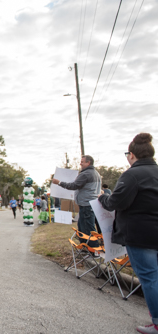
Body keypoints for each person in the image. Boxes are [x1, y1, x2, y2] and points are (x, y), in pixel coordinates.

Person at [98, 133, 158, 334]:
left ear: (132, 155)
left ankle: (156, 322)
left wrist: (102, 199)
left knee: (149, 277)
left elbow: (117, 202)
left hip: (141, 233)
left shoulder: (132, 175)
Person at [52, 155, 101, 247]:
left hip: (86, 204)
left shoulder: (86, 174)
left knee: (88, 228)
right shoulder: (95, 173)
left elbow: (73, 186)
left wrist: (59, 182)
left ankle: (94, 249)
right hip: (90, 204)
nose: (80, 163)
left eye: (82, 162)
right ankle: (85, 246)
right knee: (82, 227)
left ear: (88, 163)